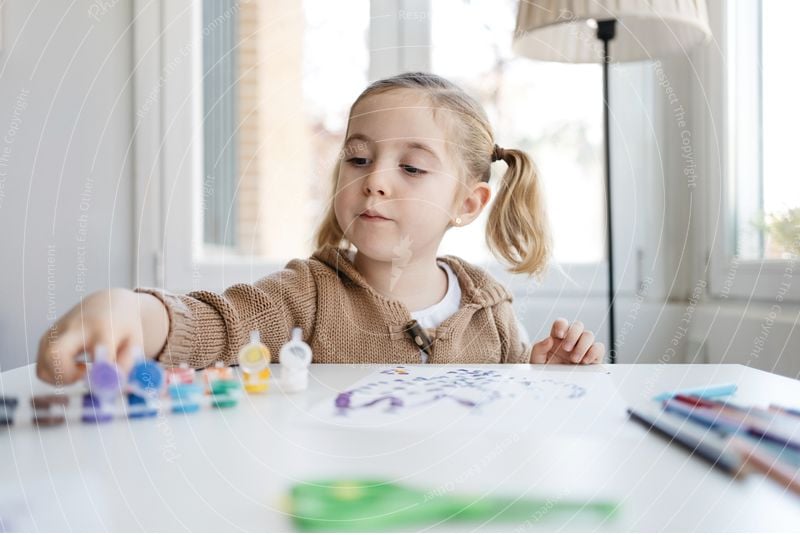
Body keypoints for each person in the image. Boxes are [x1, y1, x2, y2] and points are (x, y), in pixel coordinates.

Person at [36, 72, 604, 386]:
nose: (375, 180)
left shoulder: (491, 311)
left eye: (410, 166)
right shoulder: (304, 294)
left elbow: (510, 419)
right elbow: (221, 323)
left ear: (468, 203)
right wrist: (138, 313)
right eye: (358, 159)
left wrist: (540, 379)